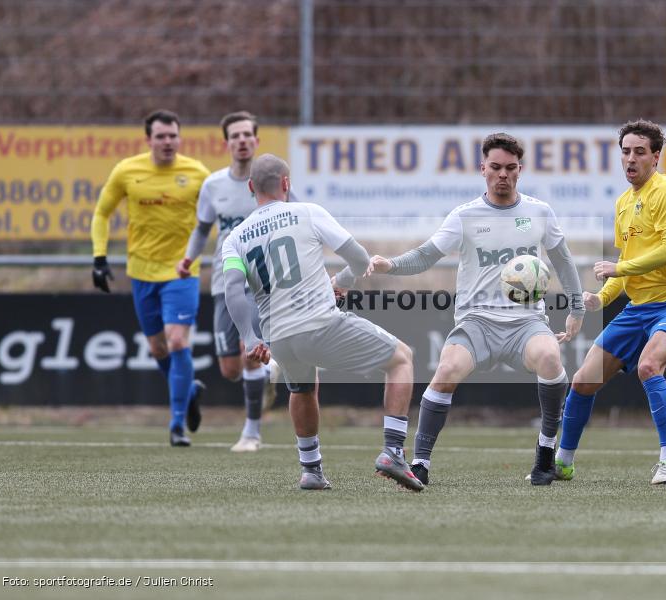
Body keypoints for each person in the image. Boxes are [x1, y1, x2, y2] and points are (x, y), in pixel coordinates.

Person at [368, 132, 585, 486]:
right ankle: (420, 463)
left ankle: (545, 454)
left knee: (550, 359)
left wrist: (577, 308)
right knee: (447, 368)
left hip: (526, 323)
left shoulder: (539, 212)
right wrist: (389, 264)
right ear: (482, 168)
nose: (503, 174)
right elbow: (426, 256)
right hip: (477, 323)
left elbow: (563, 261)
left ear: (520, 170)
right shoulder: (465, 216)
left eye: (511, 168)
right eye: (496, 167)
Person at [221, 153, 423, 491]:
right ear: (286, 184)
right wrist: (342, 281)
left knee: (301, 387)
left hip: (278, 336)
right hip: (319, 323)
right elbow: (359, 258)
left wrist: (248, 337)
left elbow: (231, 289)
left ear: (251, 187)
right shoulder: (308, 212)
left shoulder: (236, 237)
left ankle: (311, 470)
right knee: (402, 358)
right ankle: (393, 451)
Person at [554, 119, 666, 485]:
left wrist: (618, 267)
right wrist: (600, 297)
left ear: (656, 156)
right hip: (638, 309)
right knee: (582, 382)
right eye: (625, 152)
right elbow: (626, 274)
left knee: (649, 365)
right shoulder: (624, 203)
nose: (631, 159)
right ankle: (561, 462)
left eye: (640, 152)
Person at [91, 110, 210, 447]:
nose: (168, 142)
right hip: (141, 272)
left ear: (180, 138)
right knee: (157, 347)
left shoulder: (197, 173)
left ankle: (176, 425)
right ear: (148, 140)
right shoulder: (127, 170)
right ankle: (188, 394)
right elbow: (102, 213)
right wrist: (99, 257)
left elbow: (218, 214)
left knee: (176, 342)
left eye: (173, 135)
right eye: (161, 136)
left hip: (182, 271)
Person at [177, 111, 286, 453]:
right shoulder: (213, 185)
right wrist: (188, 258)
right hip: (226, 281)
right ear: (226, 143)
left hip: (260, 281)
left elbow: (295, 220)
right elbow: (202, 229)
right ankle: (266, 376)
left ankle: (251, 434)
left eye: (246, 135)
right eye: (234, 136)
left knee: (249, 351)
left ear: (256, 141)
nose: (241, 141)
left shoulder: (273, 182)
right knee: (229, 369)